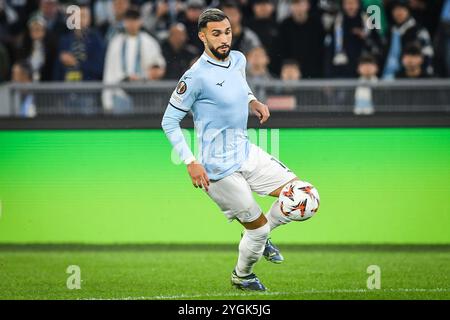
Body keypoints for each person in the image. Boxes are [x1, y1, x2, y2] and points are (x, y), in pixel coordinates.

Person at [161, 8, 319, 291]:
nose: (224, 39)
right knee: (257, 230)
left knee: (304, 194)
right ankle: (242, 275)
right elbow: (169, 122)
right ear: (202, 36)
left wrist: (253, 101)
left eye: (228, 32)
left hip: (246, 152)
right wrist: (190, 161)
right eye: (216, 34)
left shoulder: (238, 59)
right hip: (217, 170)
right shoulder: (194, 76)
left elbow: (239, 85)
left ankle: (261, 237)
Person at [102, 7, 166, 113]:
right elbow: (108, 71)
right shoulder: (115, 43)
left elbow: (158, 67)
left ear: (140, 21)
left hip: (143, 94)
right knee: (121, 128)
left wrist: (154, 71)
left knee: (143, 127)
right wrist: (107, 100)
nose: (132, 23)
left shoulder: (150, 42)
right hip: (119, 93)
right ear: (124, 22)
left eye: (135, 20)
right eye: (129, 20)